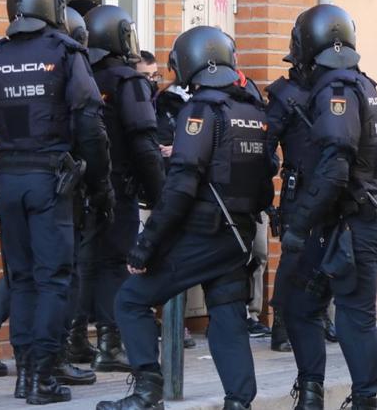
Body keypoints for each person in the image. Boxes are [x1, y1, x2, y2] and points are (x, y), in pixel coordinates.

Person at [97, 26, 273, 410]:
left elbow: (181, 185)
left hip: (201, 233)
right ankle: (239, 401)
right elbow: (265, 182)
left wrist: (147, 246)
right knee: (226, 313)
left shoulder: (201, 111)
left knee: (129, 300)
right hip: (238, 235)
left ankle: (147, 392)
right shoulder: (252, 111)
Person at [0, 0, 112, 404]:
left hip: (8, 182)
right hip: (50, 181)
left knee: (21, 280)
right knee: (54, 280)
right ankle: (43, 378)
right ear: (53, 7)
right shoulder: (65, 53)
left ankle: (26, 376)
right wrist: (100, 185)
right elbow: (89, 125)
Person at [277, 4, 377, 410]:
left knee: (351, 316)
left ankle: (360, 401)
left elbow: (335, 168)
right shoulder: (363, 83)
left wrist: (298, 223)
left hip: (344, 226)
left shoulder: (335, 89)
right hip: (355, 222)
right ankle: (312, 395)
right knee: (301, 305)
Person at [83, 5, 167, 375]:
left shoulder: (79, 73)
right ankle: (108, 344)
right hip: (118, 184)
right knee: (114, 263)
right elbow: (145, 143)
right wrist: (161, 193)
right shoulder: (127, 81)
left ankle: (74, 341)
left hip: (79, 186)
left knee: (82, 264)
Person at [263, 33, 314, 356]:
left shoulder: (333, 90)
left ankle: (316, 317)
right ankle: (281, 324)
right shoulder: (284, 95)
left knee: (327, 254)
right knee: (293, 258)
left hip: (329, 186)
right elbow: (266, 148)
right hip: (298, 188)